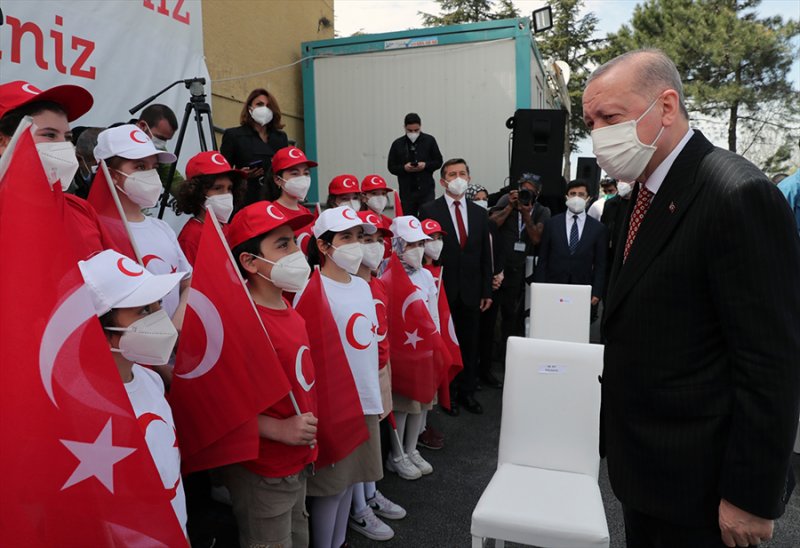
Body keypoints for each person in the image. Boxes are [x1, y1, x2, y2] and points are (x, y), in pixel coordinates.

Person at [583, 48, 800, 547]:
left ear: (666, 106)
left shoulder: (736, 194)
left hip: (703, 488)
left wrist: (750, 494)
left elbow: (770, 361)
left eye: (610, 118)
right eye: (591, 120)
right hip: (646, 472)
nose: (597, 134)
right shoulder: (639, 193)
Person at [224, 201, 319, 548]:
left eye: (294, 240)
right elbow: (218, 409)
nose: (297, 252)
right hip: (264, 471)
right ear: (249, 262)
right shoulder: (243, 323)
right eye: (282, 244)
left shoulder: (288, 306)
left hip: (297, 461)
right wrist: (277, 428)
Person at [78, 249, 188, 536]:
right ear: (99, 330)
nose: (159, 318)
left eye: (158, 305)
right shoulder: (82, 410)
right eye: (143, 310)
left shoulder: (151, 380)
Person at [300, 206, 384, 548]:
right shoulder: (312, 289)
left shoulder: (363, 287)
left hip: (364, 399)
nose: (356, 245)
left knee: (351, 482)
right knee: (331, 488)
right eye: (345, 237)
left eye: (359, 237)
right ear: (323, 246)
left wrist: (376, 397)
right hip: (336, 405)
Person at [0, 80, 118, 261]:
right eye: (49, 135)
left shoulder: (80, 210)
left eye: (68, 138)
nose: (63, 146)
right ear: (3, 142)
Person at [93, 125, 192, 330]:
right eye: (139, 167)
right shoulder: (96, 230)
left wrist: (177, 324)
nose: (151, 175)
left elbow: (187, 281)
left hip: (174, 350)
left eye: (153, 167)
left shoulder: (162, 228)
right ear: (112, 174)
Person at [349, 210, 407, 542]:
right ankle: (359, 507)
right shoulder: (352, 285)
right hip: (359, 372)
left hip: (379, 367)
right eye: (364, 240)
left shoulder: (376, 282)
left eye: (377, 241)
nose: (374, 247)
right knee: (360, 440)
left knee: (374, 436)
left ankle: (370, 493)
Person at [418, 159, 493, 415]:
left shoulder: (480, 214)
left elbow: (485, 256)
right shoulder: (429, 210)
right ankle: (446, 396)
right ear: (443, 181)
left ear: (469, 178)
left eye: (462, 173)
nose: (458, 177)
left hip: (472, 291)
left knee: (470, 345)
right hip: (441, 291)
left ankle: (468, 393)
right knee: (443, 345)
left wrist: (486, 291)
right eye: (452, 174)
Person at [489, 172, 550, 358]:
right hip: (498, 266)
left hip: (520, 269)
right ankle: (489, 355)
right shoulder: (505, 201)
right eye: (523, 190)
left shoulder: (542, 211)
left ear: (537, 194)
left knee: (511, 314)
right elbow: (490, 226)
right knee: (491, 314)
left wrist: (526, 213)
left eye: (531, 191)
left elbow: (536, 238)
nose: (526, 194)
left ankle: (507, 354)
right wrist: (509, 207)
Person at [532, 179, 607, 311]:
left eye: (581, 194)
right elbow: (543, 258)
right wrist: (539, 287)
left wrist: (597, 291)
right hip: (553, 286)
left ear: (588, 198)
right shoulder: (552, 223)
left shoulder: (598, 228)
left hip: (582, 288)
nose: (576, 197)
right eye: (573, 193)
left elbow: (600, 263)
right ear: (566, 197)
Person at [220, 88, 289, 206]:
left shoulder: (280, 138)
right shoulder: (234, 135)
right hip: (245, 199)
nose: (264, 109)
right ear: (250, 108)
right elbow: (223, 172)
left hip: (273, 200)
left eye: (268, 106)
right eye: (260, 104)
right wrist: (240, 175)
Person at [175, 151, 245, 265]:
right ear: (196, 192)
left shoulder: (228, 228)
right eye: (218, 188)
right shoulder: (191, 237)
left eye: (230, 188)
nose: (226, 194)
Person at [466, 183, 505, 389]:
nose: (482, 202)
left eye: (484, 198)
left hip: (493, 287)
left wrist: (499, 273)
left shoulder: (490, 224)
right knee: (473, 334)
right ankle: (470, 374)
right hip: (475, 287)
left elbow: (497, 251)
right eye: (477, 199)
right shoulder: (467, 226)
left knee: (489, 332)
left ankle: (485, 371)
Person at [387, 113, 443, 218]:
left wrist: (425, 165)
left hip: (426, 191)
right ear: (404, 128)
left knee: (428, 218)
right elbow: (391, 166)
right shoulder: (398, 144)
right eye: (410, 131)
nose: (413, 133)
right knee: (408, 220)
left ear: (420, 126)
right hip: (407, 192)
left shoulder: (430, 140)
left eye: (416, 130)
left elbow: (438, 161)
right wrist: (404, 168)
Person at [132, 103, 184, 197]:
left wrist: (192, 194)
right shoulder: (113, 141)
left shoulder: (158, 149)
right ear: (143, 126)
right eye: (160, 138)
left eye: (166, 140)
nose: (162, 143)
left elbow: (172, 179)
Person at [361, 174, 395, 259]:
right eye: (374, 193)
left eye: (383, 194)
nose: (380, 198)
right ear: (364, 197)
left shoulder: (390, 223)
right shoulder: (359, 221)